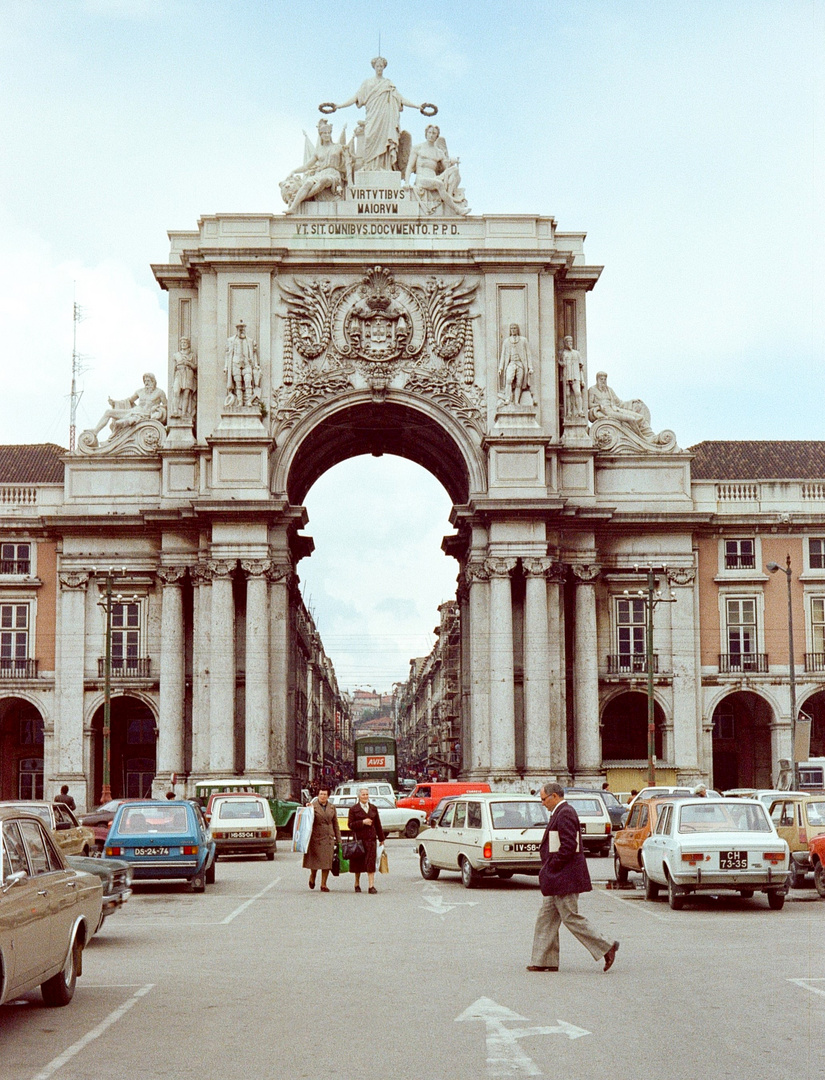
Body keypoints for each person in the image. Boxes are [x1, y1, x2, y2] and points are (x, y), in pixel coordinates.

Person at [528, 782, 619, 973]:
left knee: (570, 916)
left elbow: (569, 845)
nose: (542, 803)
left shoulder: (566, 813)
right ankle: (545, 960)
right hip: (558, 876)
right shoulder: (561, 812)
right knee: (546, 918)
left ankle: (606, 946)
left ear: (554, 796)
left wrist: (552, 866)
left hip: (564, 876)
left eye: (543, 799)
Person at [323, 56, 425, 172]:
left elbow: (401, 99)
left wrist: (417, 106)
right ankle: (370, 166)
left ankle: (384, 166)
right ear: (374, 67)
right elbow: (356, 97)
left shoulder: (388, 84)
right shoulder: (367, 83)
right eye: (377, 66)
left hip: (385, 118)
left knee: (385, 140)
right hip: (372, 117)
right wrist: (339, 106)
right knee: (370, 138)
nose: (379, 68)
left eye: (381, 66)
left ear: (384, 67)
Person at [283, 119, 348, 214]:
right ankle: (293, 208)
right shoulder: (318, 151)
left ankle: (303, 197)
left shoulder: (338, 147)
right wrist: (294, 171)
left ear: (330, 134)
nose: (326, 135)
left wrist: (348, 154)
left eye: (328, 133)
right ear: (320, 135)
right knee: (308, 183)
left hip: (333, 174)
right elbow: (306, 166)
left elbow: (348, 161)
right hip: (321, 173)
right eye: (324, 133)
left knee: (324, 181)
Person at [405, 125, 469, 216]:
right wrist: (407, 182)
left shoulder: (439, 152)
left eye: (434, 133)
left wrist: (451, 161)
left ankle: (449, 195)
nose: (431, 135)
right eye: (429, 132)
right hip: (422, 179)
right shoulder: (417, 148)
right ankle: (457, 209)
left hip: (434, 178)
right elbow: (409, 167)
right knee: (439, 184)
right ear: (426, 134)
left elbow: (446, 168)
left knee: (454, 170)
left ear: (437, 136)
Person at [91, 373, 168, 437]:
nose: (146, 383)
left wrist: (157, 408)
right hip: (133, 412)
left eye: (148, 381)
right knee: (108, 412)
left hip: (145, 415)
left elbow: (166, 405)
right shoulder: (140, 391)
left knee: (118, 424)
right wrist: (115, 403)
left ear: (153, 381)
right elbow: (128, 400)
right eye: (145, 381)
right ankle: (95, 432)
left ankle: (115, 437)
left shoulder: (159, 392)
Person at [347, 786, 386, 894]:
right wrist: (362, 822)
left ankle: (371, 886)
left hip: (371, 839)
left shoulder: (373, 808)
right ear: (359, 796)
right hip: (359, 840)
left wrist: (381, 838)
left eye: (367, 794)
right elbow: (350, 825)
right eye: (363, 794)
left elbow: (378, 824)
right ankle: (357, 883)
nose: (365, 796)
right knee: (358, 863)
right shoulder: (353, 809)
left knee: (371, 862)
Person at [304, 786, 341, 892]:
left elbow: (335, 824)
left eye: (325, 794)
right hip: (316, 838)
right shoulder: (312, 806)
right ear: (318, 795)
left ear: (328, 796)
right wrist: (308, 809)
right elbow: (306, 821)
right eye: (321, 794)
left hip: (328, 837)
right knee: (315, 862)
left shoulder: (332, 807)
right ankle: (313, 876)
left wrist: (338, 839)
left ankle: (323, 884)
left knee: (327, 863)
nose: (323, 796)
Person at [224, 320, 257, 407]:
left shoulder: (250, 341)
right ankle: (240, 402)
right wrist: (226, 367)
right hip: (235, 363)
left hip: (247, 364)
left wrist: (255, 364)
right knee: (238, 384)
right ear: (237, 330)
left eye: (243, 329)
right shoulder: (231, 341)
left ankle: (249, 401)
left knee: (248, 381)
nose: (241, 331)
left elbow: (254, 354)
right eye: (240, 329)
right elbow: (228, 355)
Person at [499, 323, 533, 405]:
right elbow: (503, 355)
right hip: (511, 363)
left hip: (520, 364)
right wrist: (500, 368)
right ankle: (507, 398)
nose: (513, 330)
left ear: (518, 329)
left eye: (515, 328)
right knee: (508, 380)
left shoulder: (523, 340)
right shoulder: (506, 341)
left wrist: (530, 367)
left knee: (519, 383)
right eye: (512, 328)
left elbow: (528, 354)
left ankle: (517, 401)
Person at [170, 337, 197, 419]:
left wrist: (187, 363)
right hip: (179, 374)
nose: (183, 344)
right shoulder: (176, 355)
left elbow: (195, 367)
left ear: (188, 344)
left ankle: (184, 413)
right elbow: (173, 369)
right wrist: (172, 380)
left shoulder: (192, 355)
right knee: (176, 392)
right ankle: (175, 411)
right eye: (182, 343)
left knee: (186, 394)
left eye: (185, 342)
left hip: (188, 373)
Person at [559, 335, 585, 418]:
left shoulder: (577, 353)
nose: (570, 343)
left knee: (578, 393)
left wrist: (582, 379)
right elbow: (561, 364)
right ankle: (568, 412)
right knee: (567, 394)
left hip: (576, 376)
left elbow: (581, 368)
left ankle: (580, 411)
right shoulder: (563, 353)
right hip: (566, 375)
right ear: (565, 343)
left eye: (571, 342)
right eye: (568, 342)